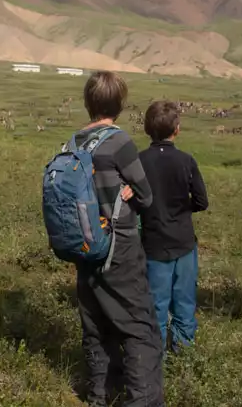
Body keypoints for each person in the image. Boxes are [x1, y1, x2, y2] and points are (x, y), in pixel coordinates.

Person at [73, 71, 165, 407]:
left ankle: (100, 397)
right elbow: (146, 196)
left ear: (88, 103)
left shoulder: (74, 142)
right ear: (120, 104)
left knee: (96, 327)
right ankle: (142, 400)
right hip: (120, 249)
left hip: (86, 247)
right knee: (140, 328)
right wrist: (128, 193)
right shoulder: (119, 142)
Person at [139, 100, 208, 354]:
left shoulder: (139, 161)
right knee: (185, 303)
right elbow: (202, 201)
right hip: (184, 243)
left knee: (156, 305)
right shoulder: (186, 161)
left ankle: (154, 361)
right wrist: (180, 208)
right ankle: (184, 353)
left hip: (154, 244)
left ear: (147, 129)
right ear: (176, 129)